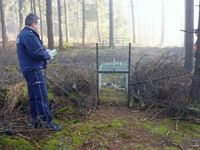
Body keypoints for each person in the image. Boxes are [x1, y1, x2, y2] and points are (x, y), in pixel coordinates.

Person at [16, 13, 61, 131]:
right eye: (37, 24)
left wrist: (44, 52)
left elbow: (34, 51)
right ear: (33, 24)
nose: (38, 26)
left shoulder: (22, 34)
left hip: (28, 70)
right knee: (41, 96)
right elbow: (37, 53)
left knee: (34, 97)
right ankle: (47, 124)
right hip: (34, 70)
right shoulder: (29, 35)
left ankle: (36, 122)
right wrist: (48, 55)